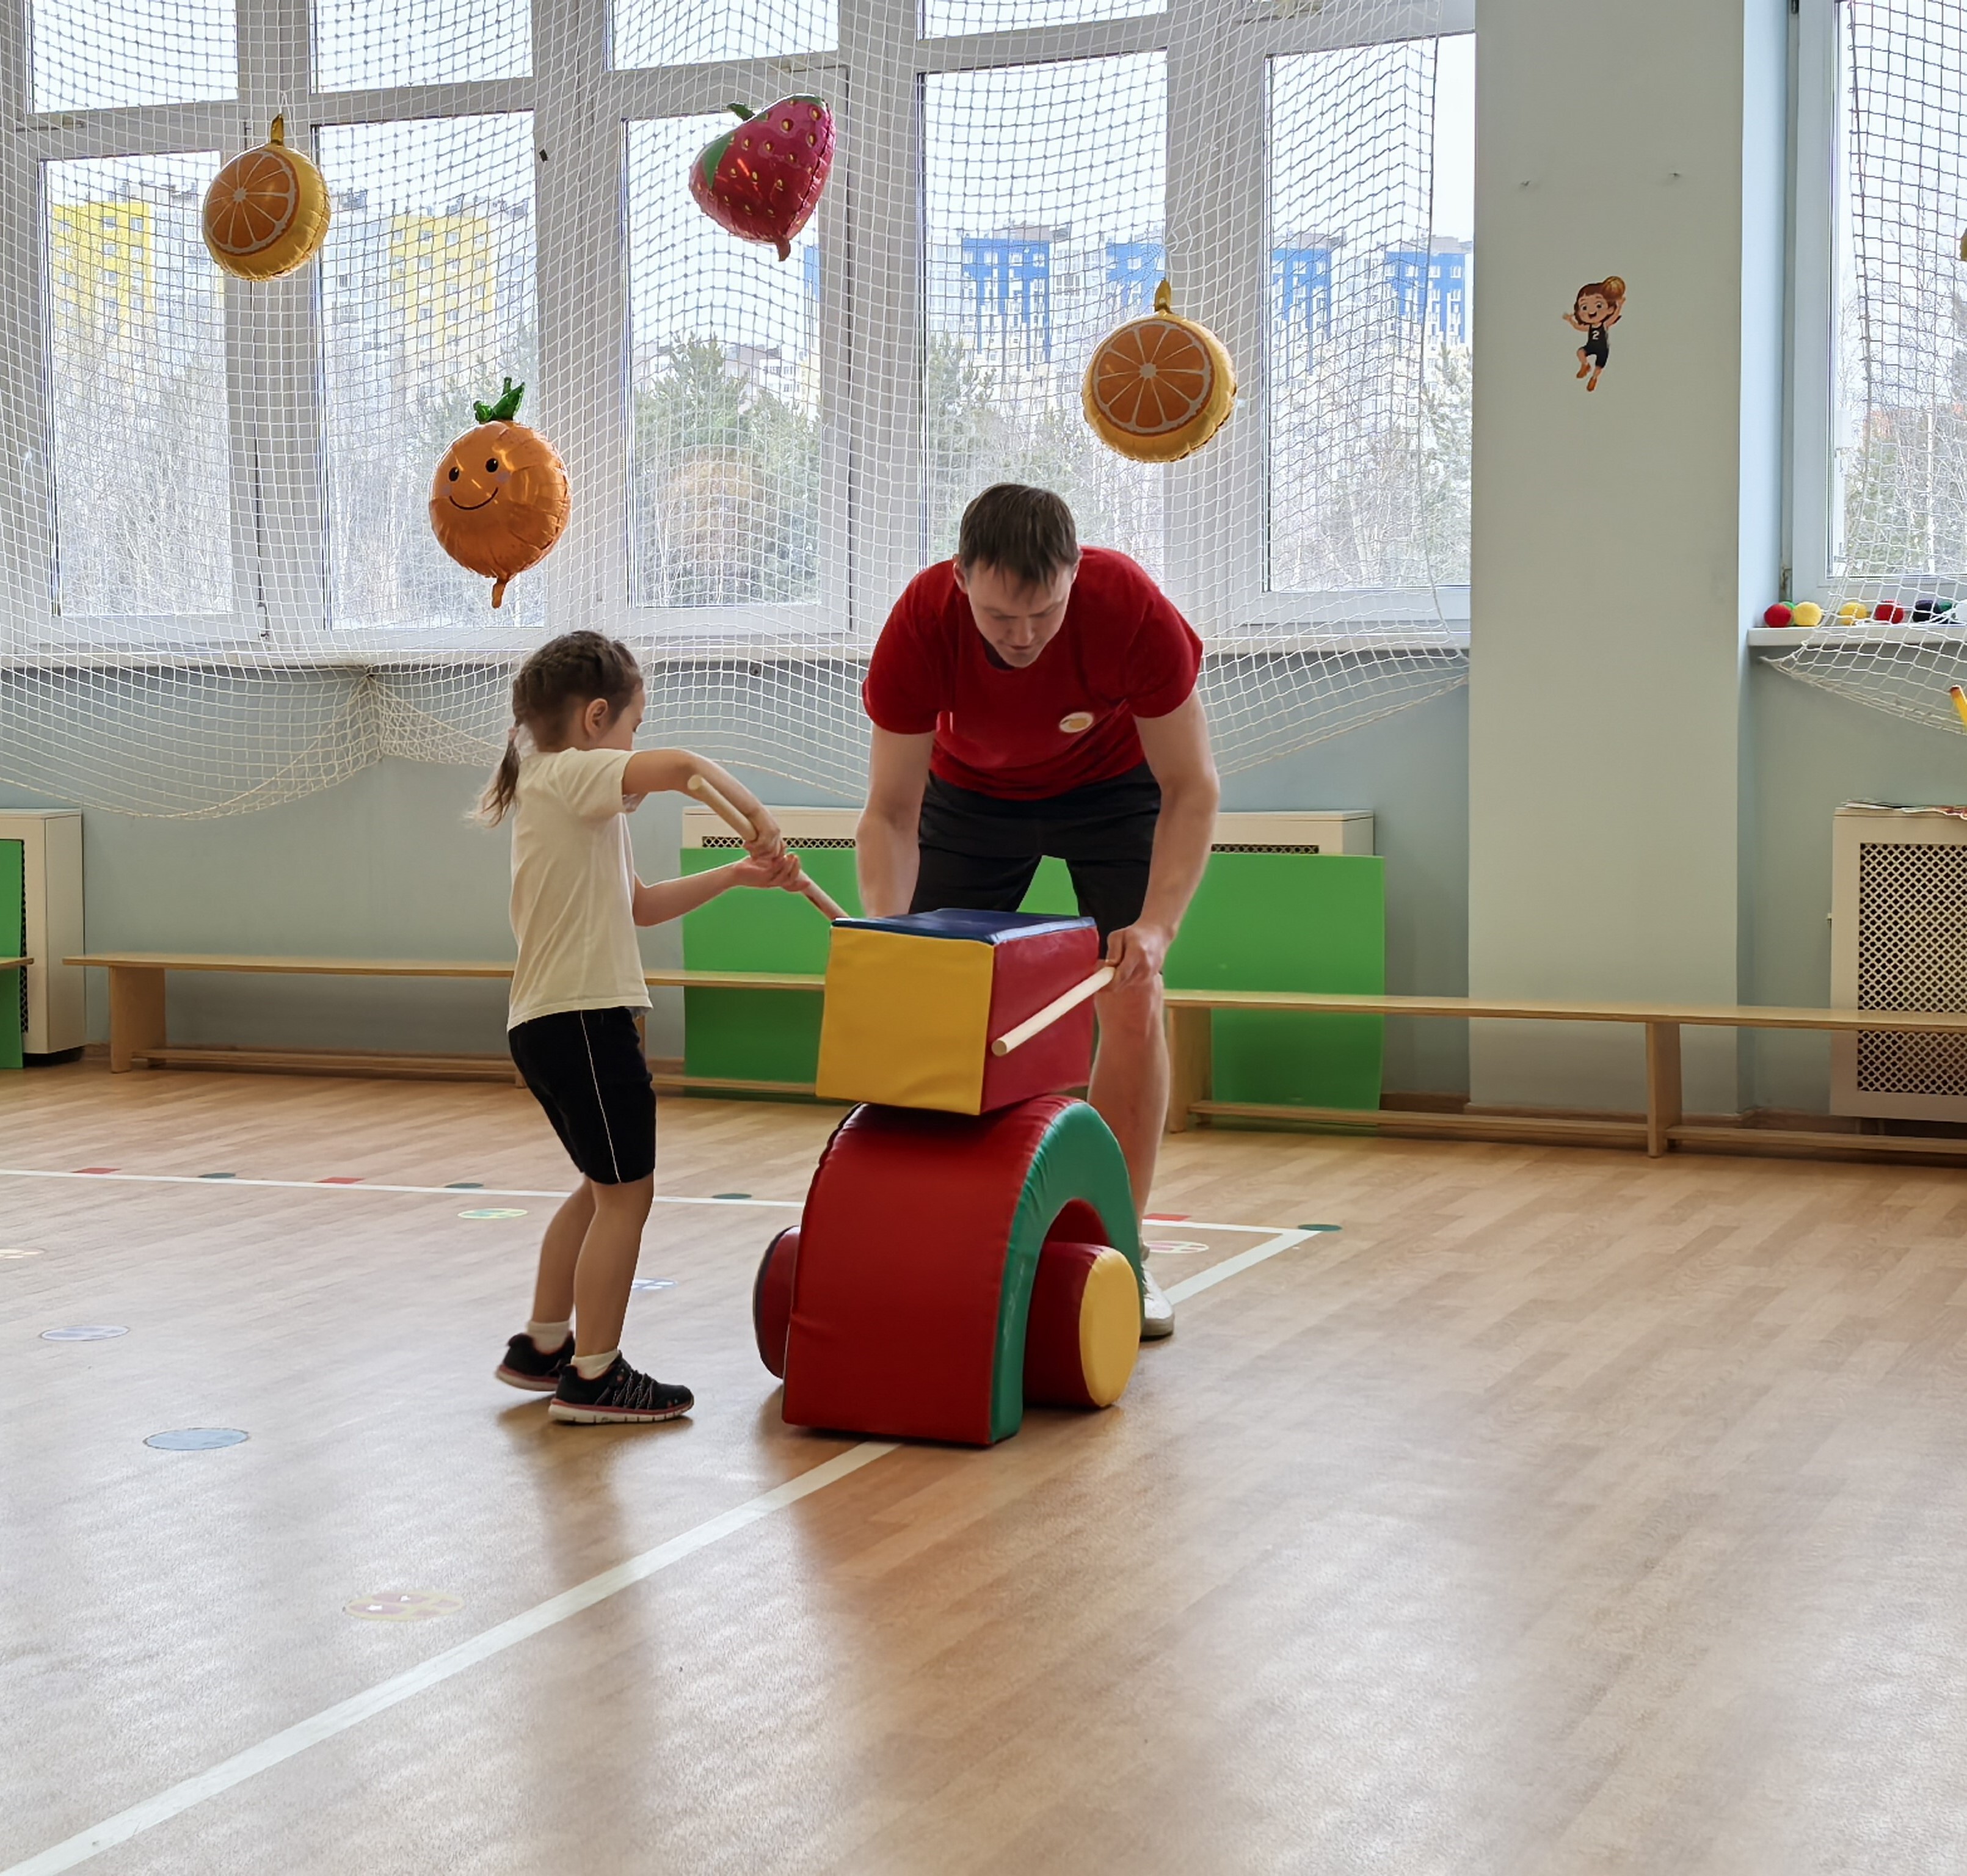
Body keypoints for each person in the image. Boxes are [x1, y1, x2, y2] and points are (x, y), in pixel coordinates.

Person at [856, 484, 1220, 1339]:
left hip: (1114, 790)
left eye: (1044, 613)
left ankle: (1121, 1248)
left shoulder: (1127, 604)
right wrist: (892, 937)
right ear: (959, 579)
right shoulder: (921, 622)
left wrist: (1157, 929)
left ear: (1075, 575)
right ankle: (937, 1235)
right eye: (997, 616)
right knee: (934, 999)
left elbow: (1191, 787)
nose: (1021, 636)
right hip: (971, 797)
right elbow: (891, 813)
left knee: (1131, 995)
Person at [479, 630, 804, 1423]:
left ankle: (544, 1346)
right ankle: (595, 1375)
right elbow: (682, 767)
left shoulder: (563, 794)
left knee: (602, 1191)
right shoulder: (570, 773)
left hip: (551, 1023)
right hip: (583, 1021)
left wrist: (739, 873)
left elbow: (641, 905)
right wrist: (759, 820)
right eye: (632, 725)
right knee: (627, 1196)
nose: (635, 743)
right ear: (596, 719)